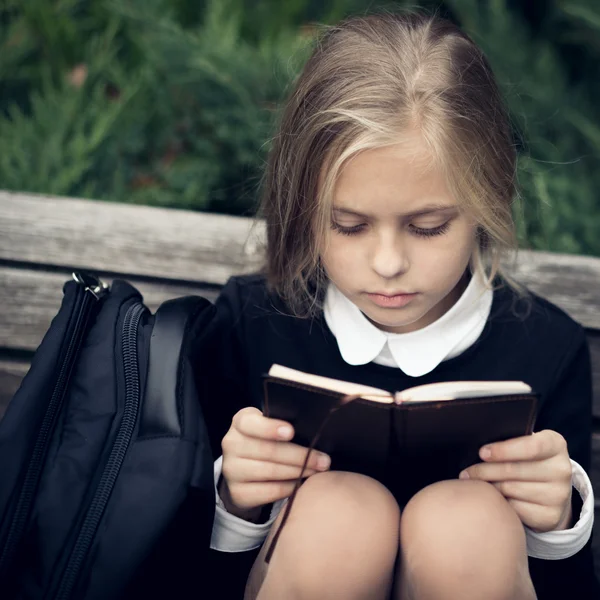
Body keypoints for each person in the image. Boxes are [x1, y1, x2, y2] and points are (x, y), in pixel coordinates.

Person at [194, 10, 597, 600]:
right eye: (348, 225)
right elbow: (175, 567)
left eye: (428, 227)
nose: (387, 263)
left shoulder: (546, 349)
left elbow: (570, 584)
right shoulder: (250, 324)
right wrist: (234, 500)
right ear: (302, 206)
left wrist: (556, 520)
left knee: (466, 525)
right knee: (340, 516)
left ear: (489, 199)